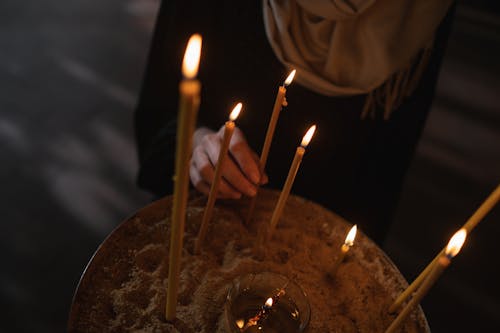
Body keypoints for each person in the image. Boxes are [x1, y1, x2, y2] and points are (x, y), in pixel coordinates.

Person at [134, 0, 455, 244]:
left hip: (316, 238)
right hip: (205, 219)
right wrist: (196, 143)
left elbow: (386, 164)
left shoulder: (417, 11)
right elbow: (161, 106)